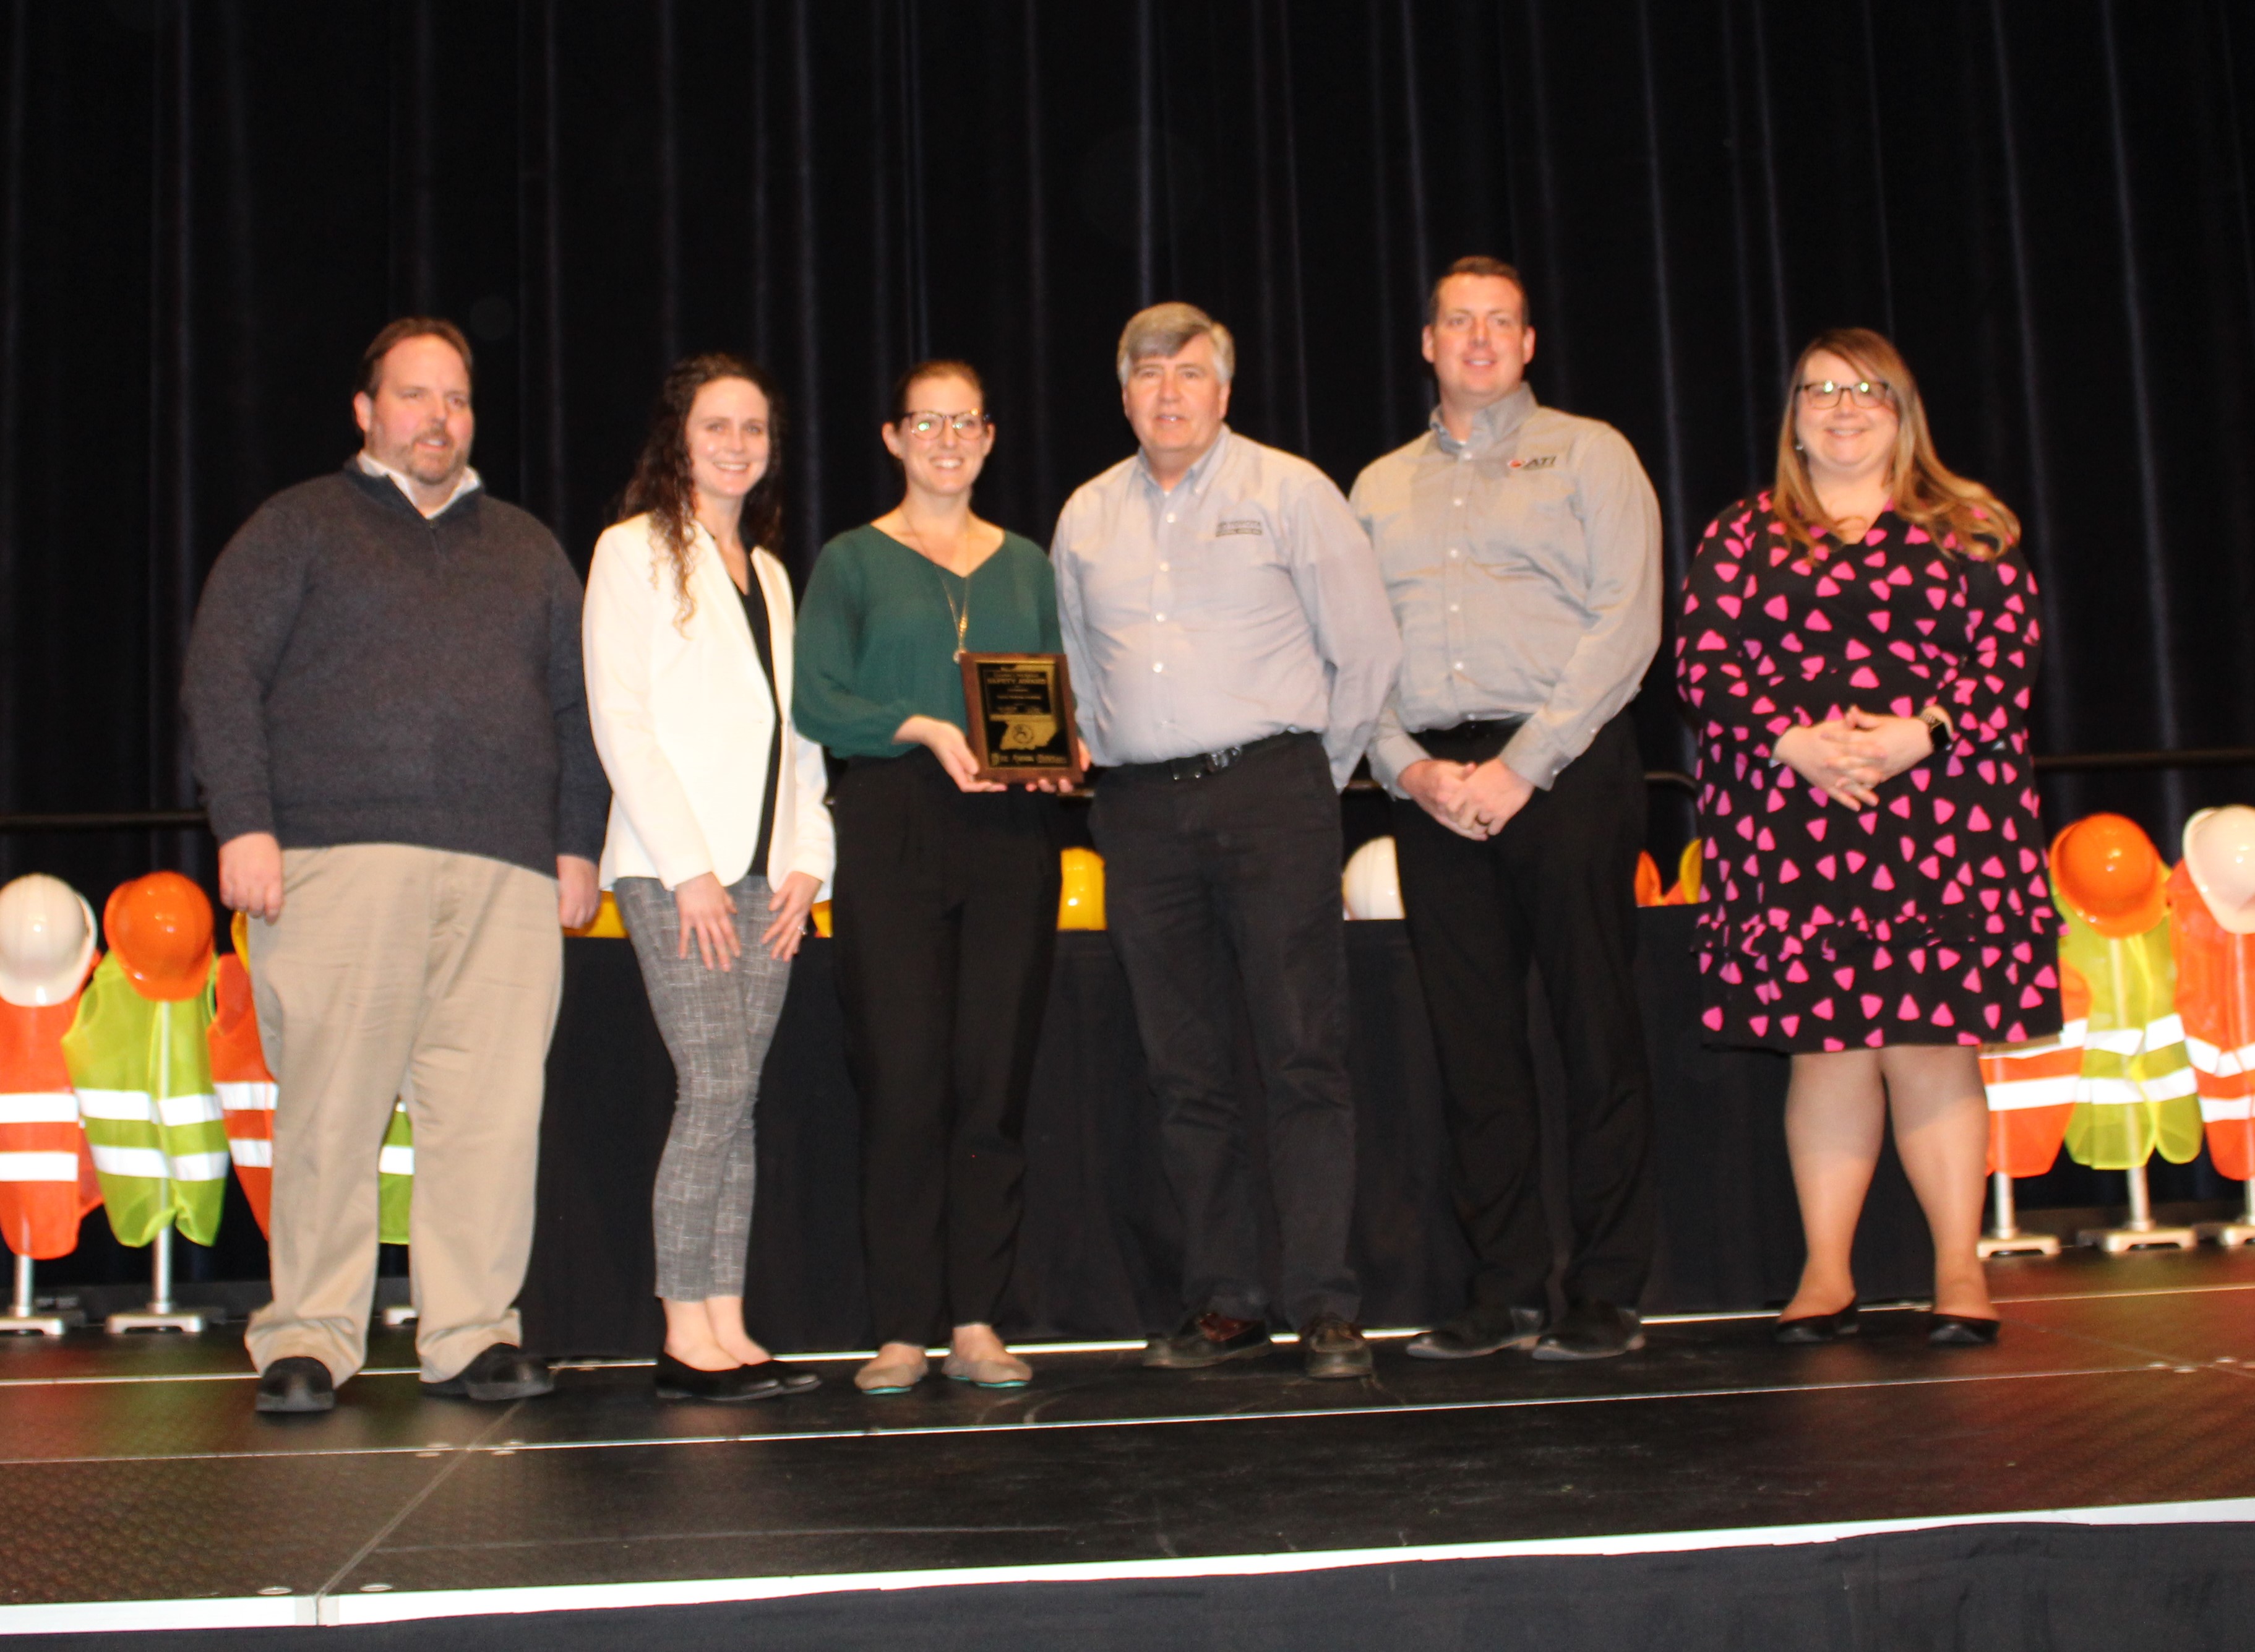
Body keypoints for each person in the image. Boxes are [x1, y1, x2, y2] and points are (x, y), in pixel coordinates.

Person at [183, 317, 607, 1414]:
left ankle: (470, 1333)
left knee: (489, 1118)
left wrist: (576, 842)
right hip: (337, 860)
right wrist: (244, 824)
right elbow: (222, 671)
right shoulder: (298, 526)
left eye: (455, 399)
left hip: (506, 875)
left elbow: (579, 705)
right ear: (367, 411)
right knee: (332, 1111)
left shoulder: (527, 547)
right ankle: (309, 1336)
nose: (438, 417)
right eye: (414, 395)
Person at [1677, 326, 2060, 1347]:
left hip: (1941, 810)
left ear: (1901, 411)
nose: (1842, 409)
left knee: (1931, 1043)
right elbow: (1703, 664)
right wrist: (1791, 740)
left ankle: (1957, 1270)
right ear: (1793, 419)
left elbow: (2007, 657)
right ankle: (1825, 1273)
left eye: (1865, 391)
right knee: (1827, 1049)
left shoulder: (1968, 526)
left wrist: (1918, 731)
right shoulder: (1742, 534)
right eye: (1820, 391)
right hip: (1792, 817)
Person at [1053, 303, 1401, 1381]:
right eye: (1148, 373)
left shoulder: (1290, 491)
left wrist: (1309, 776)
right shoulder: (1084, 515)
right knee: (1183, 1069)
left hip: (1272, 793)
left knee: (1303, 1054)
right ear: (1123, 395)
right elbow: (1078, 669)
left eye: (1190, 372)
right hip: (1138, 812)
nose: (1169, 392)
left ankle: (1324, 1301)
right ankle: (1226, 1300)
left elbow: (1367, 652)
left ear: (1224, 390)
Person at [1352, 257, 1663, 1364]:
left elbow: (1629, 621)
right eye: (1458, 320)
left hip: (1565, 768)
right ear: (1426, 343)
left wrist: (1523, 764)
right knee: (1472, 1049)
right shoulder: (1376, 486)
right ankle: (1503, 1289)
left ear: (1529, 344)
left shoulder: (1591, 452)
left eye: (1500, 321)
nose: (1478, 337)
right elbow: (1352, 653)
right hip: (1433, 787)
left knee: (1595, 1034)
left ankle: (1607, 1288)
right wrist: (1407, 769)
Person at [794, 360, 1065, 1395]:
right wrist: (915, 724)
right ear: (892, 436)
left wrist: (1059, 756)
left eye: (965, 422)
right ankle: (901, 1327)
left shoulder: (1027, 564)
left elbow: (1047, 694)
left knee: (991, 1081)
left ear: (989, 437)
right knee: (902, 1078)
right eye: (926, 422)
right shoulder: (850, 560)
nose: (946, 439)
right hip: (891, 822)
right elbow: (815, 698)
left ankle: (977, 1320)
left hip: (1008, 834)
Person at [583, 354, 834, 1404]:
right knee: (716, 1086)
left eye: (754, 428)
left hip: (767, 876)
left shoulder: (769, 571)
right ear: (678, 439)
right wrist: (688, 869)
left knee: (739, 1098)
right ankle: (683, 1331)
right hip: (673, 870)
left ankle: (726, 1322)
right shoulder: (631, 551)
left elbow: (797, 730)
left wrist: (810, 859)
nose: (738, 444)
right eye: (716, 426)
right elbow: (620, 719)